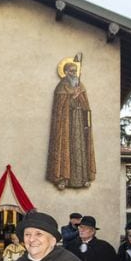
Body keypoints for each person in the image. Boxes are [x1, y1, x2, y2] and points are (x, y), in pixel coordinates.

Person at [46, 59, 96, 190]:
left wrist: (80, 97)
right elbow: (59, 108)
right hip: (66, 125)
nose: (74, 74)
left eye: (76, 71)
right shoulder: (61, 86)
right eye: (72, 71)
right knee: (66, 149)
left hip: (79, 123)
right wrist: (73, 97)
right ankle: (63, 178)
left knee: (80, 148)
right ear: (66, 72)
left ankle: (83, 178)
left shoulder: (80, 85)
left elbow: (86, 105)